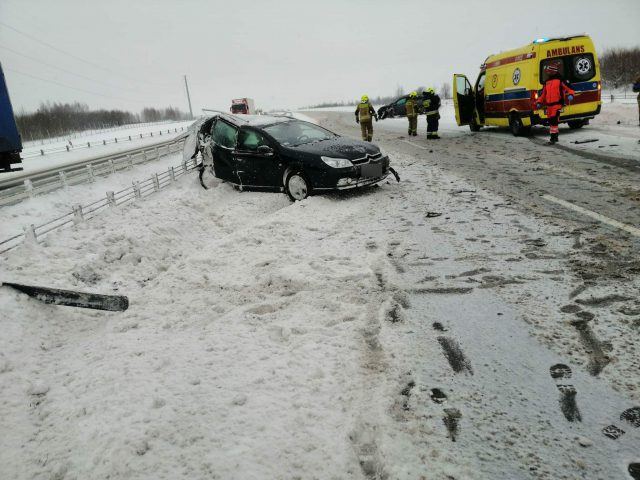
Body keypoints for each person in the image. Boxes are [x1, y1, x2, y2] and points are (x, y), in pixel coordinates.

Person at [536, 62, 575, 144]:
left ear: (553, 71)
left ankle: (553, 138)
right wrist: (539, 101)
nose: (547, 72)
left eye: (549, 71)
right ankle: (554, 136)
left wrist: (571, 94)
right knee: (551, 122)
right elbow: (543, 94)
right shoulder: (547, 82)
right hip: (549, 105)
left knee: (554, 121)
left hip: (557, 104)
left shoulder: (560, 80)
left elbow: (569, 88)